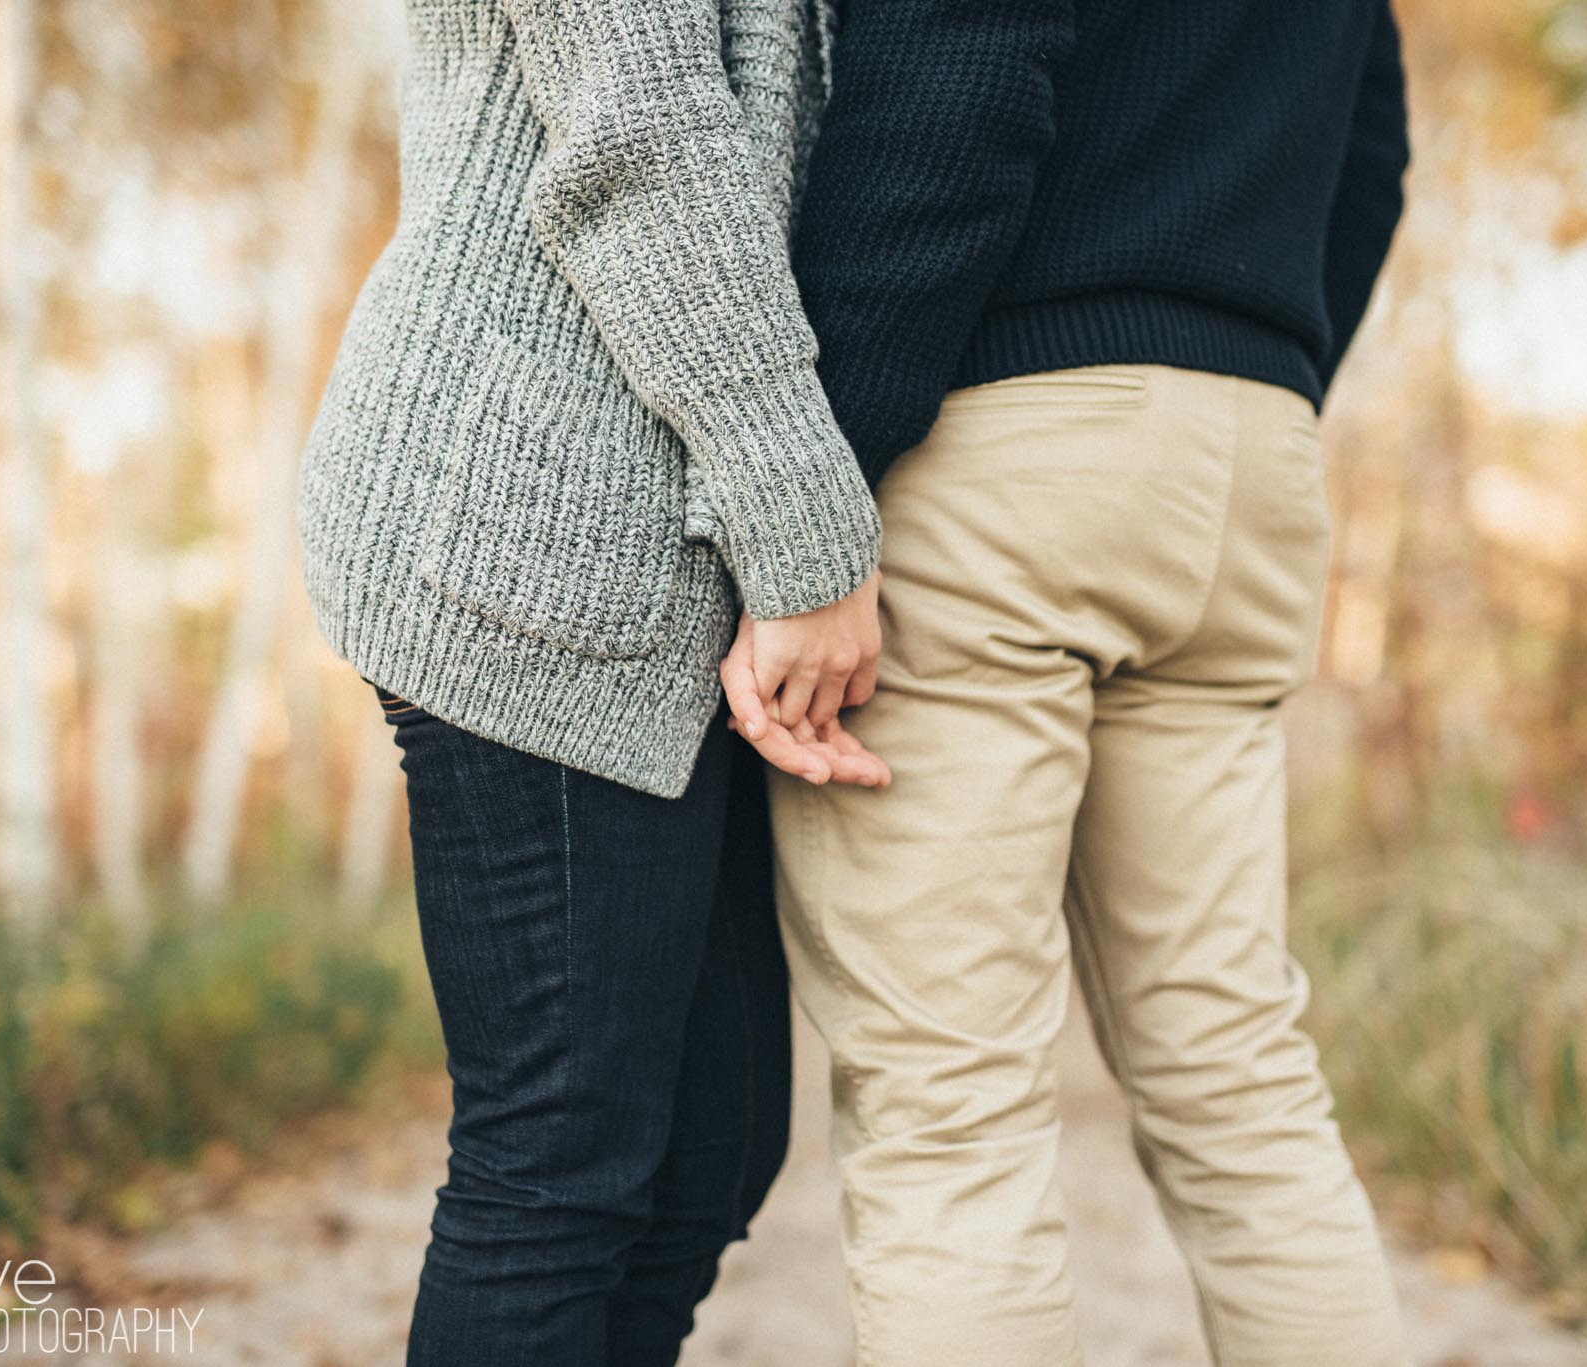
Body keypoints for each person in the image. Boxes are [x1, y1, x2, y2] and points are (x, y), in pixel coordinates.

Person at [749, 0, 1416, 1361]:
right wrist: (1252, 374)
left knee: (952, 1108)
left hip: (1004, 444)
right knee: (1240, 1085)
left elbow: (959, 87)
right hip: (1251, 464)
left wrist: (822, 485)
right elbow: (1375, 153)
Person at [293, 1, 888, 1363]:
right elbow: (641, 136)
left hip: (677, 549)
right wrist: (806, 532)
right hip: (526, 526)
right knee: (559, 1168)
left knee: (712, 1146)